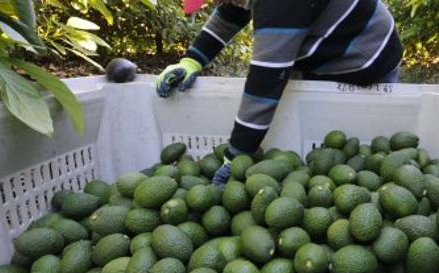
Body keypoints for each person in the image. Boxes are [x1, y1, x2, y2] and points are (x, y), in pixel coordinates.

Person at [156, 0, 403, 185]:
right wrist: (192, 60)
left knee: (350, 144)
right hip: (325, 47)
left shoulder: (281, 4)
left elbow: (266, 82)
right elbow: (232, 10)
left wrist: (237, 155)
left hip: (366, 57)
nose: (215, 2)